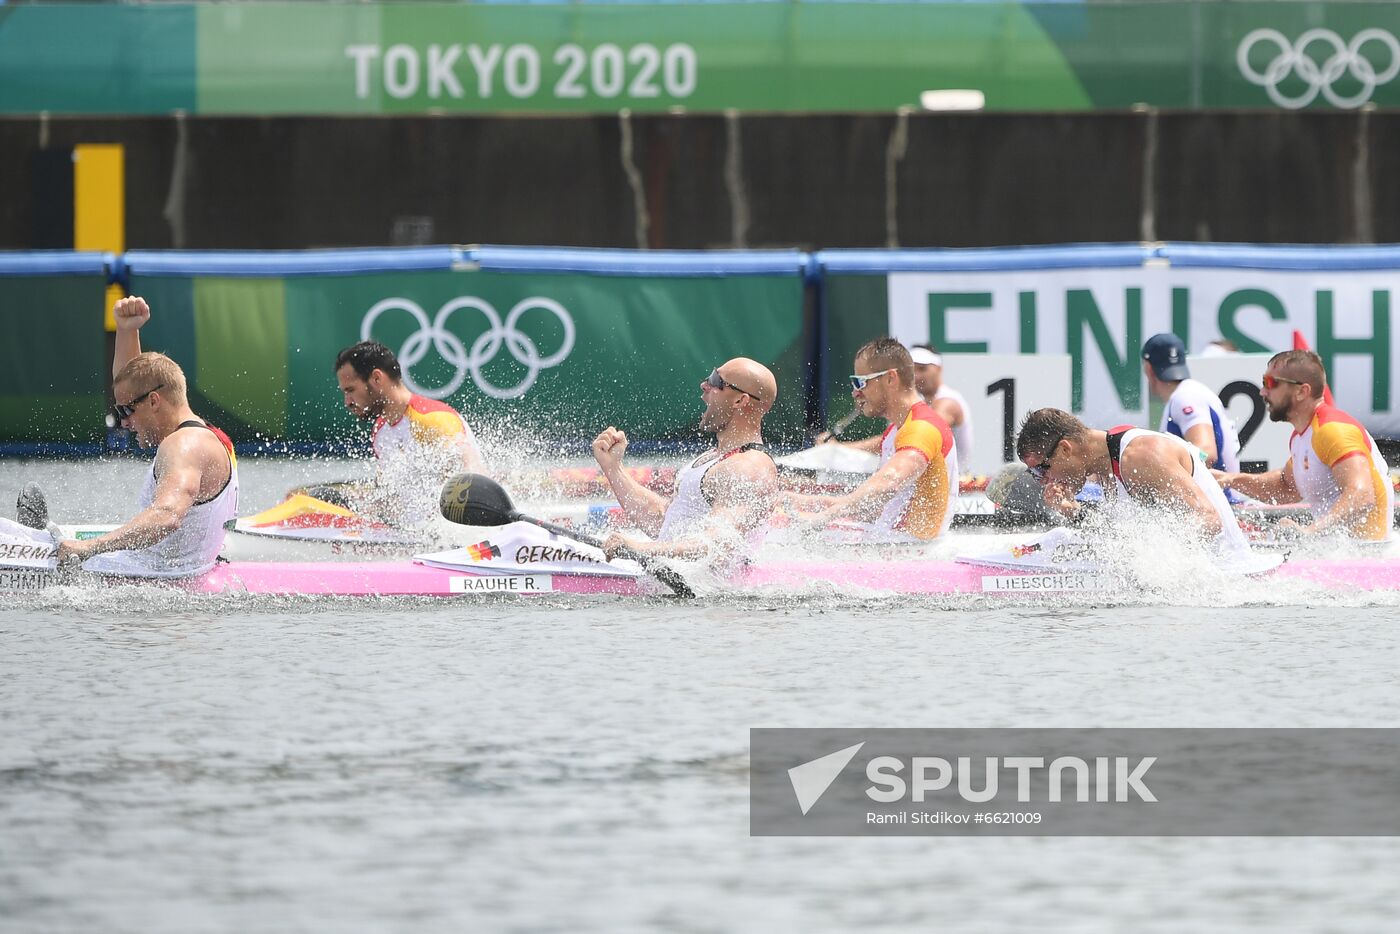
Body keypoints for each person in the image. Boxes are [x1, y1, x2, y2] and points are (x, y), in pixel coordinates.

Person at [54, 296, 239, 576]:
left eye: (127, 410)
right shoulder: (201, 435)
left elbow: (167, 516)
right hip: (179, 567)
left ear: (154, 401)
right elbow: (132, 384)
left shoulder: (184, 446)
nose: (125, 422)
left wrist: (90, 547)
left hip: (167, 579)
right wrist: (128, 329)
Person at [593, 358, 778, 561]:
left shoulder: (748, 467)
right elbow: (666, 520)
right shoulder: (715, 458)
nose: (704, 384)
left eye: (716, 380)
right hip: (679, 585)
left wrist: (641, 548)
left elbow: (718, 543)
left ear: (740, 401)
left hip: (707, 593)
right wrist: (613, 468)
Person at [786, 339, 959, 541]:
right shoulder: (894, 432)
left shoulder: (922, 427)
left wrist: (824, 517)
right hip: (894, 547)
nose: (855, 392)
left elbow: (890, 481)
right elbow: (879, 506)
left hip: (913, 557)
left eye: (861, 382)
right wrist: (809, 502)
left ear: (891, 378)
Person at [1213, 350, 1393, 540]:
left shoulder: (1333, 430)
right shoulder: (1302, 436)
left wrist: (1308, 532)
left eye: (1271, 383)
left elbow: (1362, 496)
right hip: (1341, 554)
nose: (1262, 391)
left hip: (1369, 555)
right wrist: (1231, 479)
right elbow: (1286, 488)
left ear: (1302, 391)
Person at [1016, 407, 1248, 554]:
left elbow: (1208, 520)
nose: (1044, 481)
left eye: (1041, 470)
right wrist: (1072, 511)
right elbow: (1122, 540)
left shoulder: (1141, 454)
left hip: (1228, 580)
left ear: (1065, 449)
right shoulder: (1109, 463)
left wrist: (1148, 561)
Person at [334, 340, 487, 527]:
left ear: (376, 379)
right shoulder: (380, 432)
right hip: (411, 539)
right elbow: (390, 498)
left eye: (351, 390)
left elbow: (475, 477)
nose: (347, 402)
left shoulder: (431, 419)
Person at [817, 342, 973, 466]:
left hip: (964, 489)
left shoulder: (948, 402)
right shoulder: (916, 409)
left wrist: (840, 448)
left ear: (939, 369)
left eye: (923, 369)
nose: (917, 375)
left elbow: (913, 436)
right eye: (913, 369)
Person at [1141, 333, 1242, 472]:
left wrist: (1156, 471)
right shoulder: (1188, 393)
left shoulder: (1184, 397)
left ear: (1148, 368)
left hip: (1215, 494)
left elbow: (1207, 454)